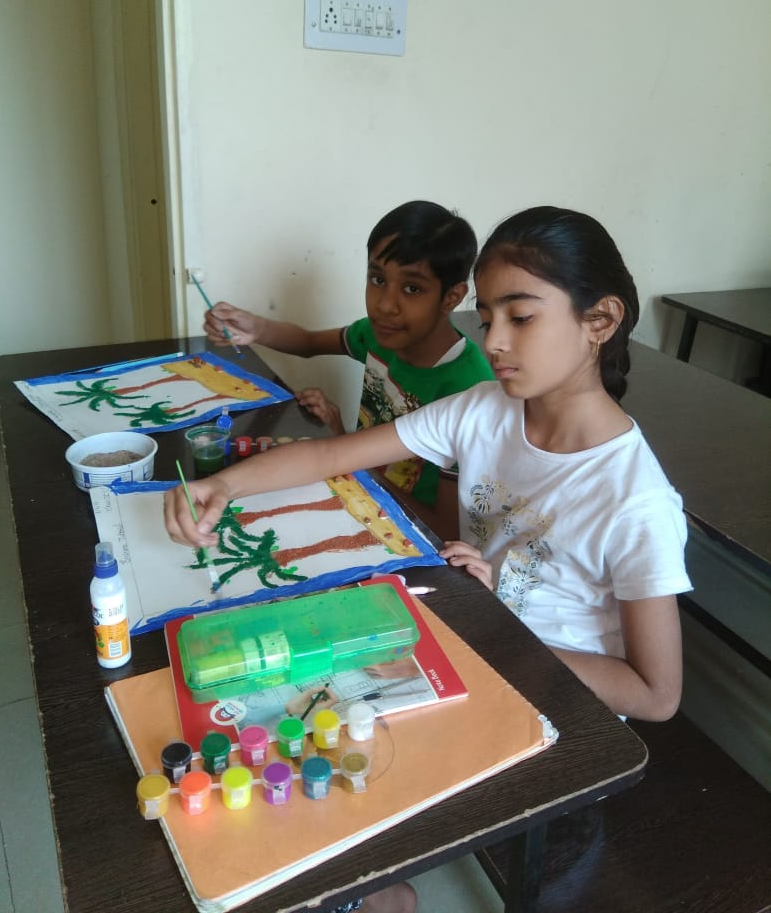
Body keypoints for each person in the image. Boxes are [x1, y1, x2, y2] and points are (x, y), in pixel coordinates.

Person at [166, 205, 692, 911]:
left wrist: (492, 627)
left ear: (599, 320)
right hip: (469, 640)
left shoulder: (635, 501)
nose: (494, 341)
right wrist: (222, 485)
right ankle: (380, 892)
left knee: (321, 726)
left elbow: (655, 695)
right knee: (288, 698)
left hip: (552, 698)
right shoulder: (485, 409)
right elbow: (331, 455)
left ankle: (370, 890)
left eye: (521, 317)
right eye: (488, 316)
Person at [203, 200, 494, 535]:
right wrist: (256, 329)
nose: (385, 305)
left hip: (408, 534)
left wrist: (346, 449)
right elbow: (308, 343)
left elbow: (445, 531)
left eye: (412, 288)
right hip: (358, 493)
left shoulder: (469, 391)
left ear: (451, 297)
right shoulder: (378, 335)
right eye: (377, 279)